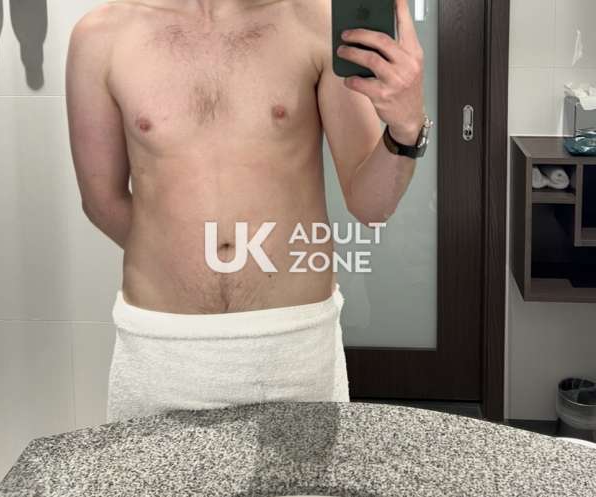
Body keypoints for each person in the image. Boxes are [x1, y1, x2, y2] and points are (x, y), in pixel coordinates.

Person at [65, 0, 427, 422]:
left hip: (293, 346)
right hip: (162, 348)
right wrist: (183, 260)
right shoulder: (101, 37)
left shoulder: (316, 22)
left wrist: (406, 129)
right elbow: (102, 201)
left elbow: (373, 206)